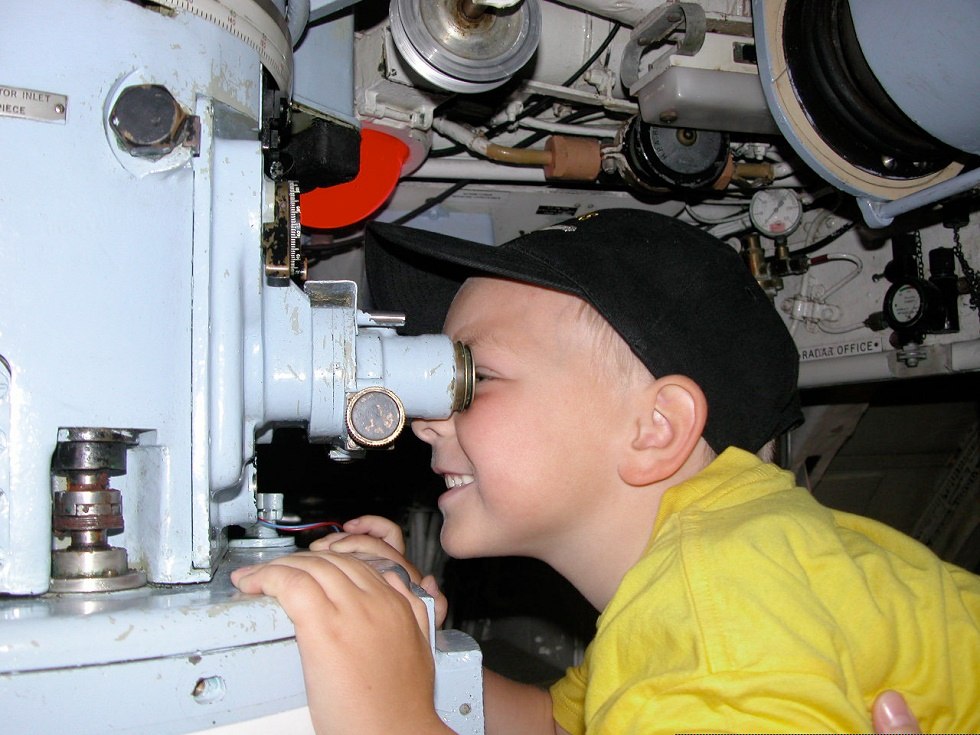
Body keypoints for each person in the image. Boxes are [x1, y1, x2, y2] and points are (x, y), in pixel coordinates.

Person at [231, 209, 975, 733]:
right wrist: (402, 652)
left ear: (656, 429)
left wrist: (385, 718)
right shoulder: (703, 577)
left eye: (473, 376)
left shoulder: (720, 609)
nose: (425, 419)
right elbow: (557, 724)